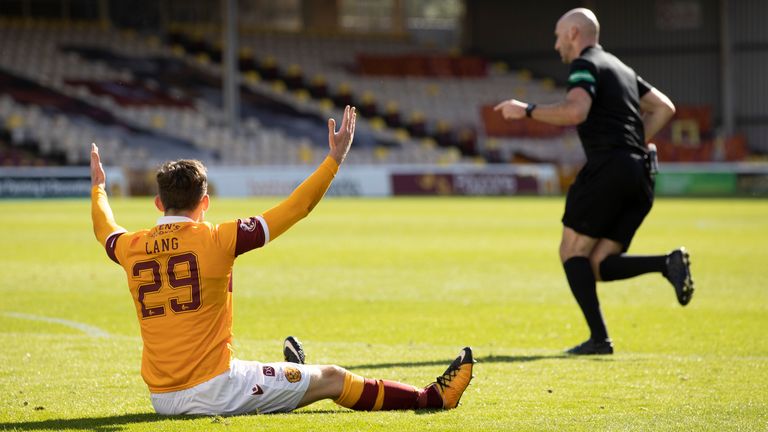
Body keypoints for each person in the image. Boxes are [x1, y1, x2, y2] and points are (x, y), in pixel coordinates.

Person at [90, 105, 474, 415]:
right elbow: (298, 207)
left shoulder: (132, 246)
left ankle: (292, 374)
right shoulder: (219, 237)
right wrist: (334, 160)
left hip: (160, 397)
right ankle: (430, 399)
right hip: (213, 391)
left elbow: (105, 229)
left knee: (271, 377)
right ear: (204, 203)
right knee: (333, 379)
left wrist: (98, 188)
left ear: (159, 203)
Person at [494, 9, 694, 355]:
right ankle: (667, 263)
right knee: (597, 264)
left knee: (571, 251)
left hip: (608, 169)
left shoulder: (586, 65)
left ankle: (600, 339)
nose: (556, 44)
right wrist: (634, 142)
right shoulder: (622, 69)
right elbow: (665, 108)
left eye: (558, 36)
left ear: (574, 33)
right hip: (641, 175)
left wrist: (525, 109)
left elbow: (575, 111)